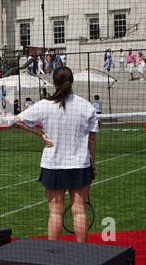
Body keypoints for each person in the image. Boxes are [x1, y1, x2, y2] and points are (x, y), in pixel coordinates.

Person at [12, 66, 98, 243]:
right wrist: (93, 164)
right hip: (80, 165)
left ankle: (53, 255)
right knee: (80, 210)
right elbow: (92, 141)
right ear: (72, 82)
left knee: (55, 211)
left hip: (54, 165)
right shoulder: (86, 106)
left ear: (53, 82)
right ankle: (82, 252)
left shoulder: (44, 105)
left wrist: (40, 134)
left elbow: (16, 120)